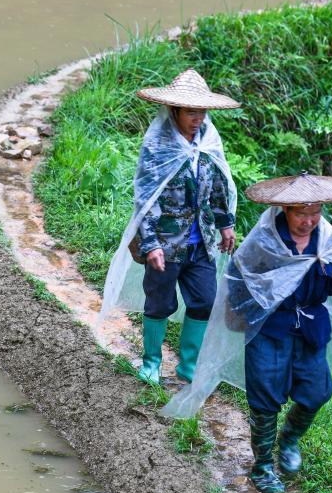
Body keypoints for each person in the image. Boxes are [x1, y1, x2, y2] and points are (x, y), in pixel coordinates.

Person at [162, 172, 332, 493]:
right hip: (270, 328)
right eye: (301, 213)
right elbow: (240, 280)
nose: (309, 221)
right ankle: (263, 465)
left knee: (318, 390)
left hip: (310, 327)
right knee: (265, 396)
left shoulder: (325, 240)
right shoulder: (265, 240)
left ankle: (290, 440)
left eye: (315, 212)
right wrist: (242, 316)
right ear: (286, 209)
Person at [98, 69, 239, 384]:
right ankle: (151, 363)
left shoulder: (208, 142)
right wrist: (151, 244)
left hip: (200, 239)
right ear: (174, 110)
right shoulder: (157, 145)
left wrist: (226, 224)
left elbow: (217, 184)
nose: (198, 118)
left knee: (204, 299)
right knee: (160, 302)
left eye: (202, 111)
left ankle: (188, 367)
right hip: (166, 239)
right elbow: (146, 199)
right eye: (191, 111)